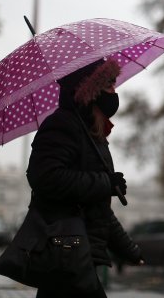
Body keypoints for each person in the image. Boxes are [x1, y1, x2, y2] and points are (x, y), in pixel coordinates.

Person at [26, 58, 144, 298]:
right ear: (90, 91)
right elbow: (45, 177)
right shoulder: (62, 125)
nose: (114, 93)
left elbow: (98, 211)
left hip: (79, 255)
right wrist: (104, 184)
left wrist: (128, 250)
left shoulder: (91, 134)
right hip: (67, 252)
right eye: (109, 86)